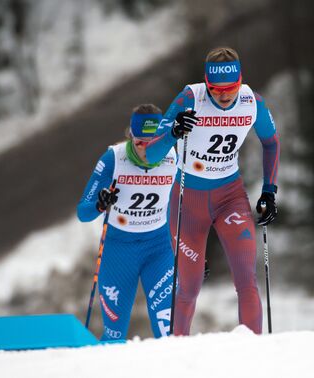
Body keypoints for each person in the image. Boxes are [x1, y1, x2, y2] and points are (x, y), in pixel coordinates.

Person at [146, 47, 280, 335]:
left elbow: (271, 143)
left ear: (240, 81)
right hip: (188, 202)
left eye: (229, 88)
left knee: (246, 279)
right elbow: (151, 155)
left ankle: (255, 358)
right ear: (206, 83)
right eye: (215, 89)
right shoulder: (190, 98)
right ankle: (176, 355)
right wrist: (172, 132)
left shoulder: (251, 102)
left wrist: (269, 191)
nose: (223, 96)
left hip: (229, 197)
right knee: (189, 287)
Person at [77, 104, 178, 341]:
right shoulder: (114, 158)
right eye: (140, 142)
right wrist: (100, 204)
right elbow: (83, 212)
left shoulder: (175, 155)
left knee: (168, 332)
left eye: (153, 142)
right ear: (130, 135)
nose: (146, 150)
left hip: (159, 249)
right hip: (118, 251)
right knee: (114, 336)